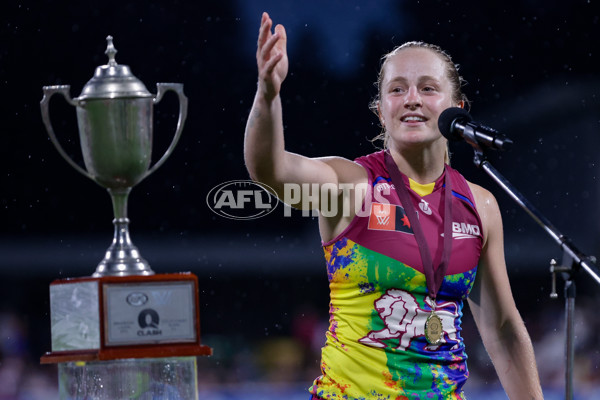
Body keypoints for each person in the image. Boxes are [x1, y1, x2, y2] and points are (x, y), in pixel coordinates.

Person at [244, 11, 544, 400]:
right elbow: (270, 169)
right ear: (381, 108)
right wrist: (268, 94)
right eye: (397, 89)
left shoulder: (480, 204)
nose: (412, 100)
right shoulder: (351, 184)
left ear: (457, 106)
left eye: (428, 88)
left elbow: (502, 328)